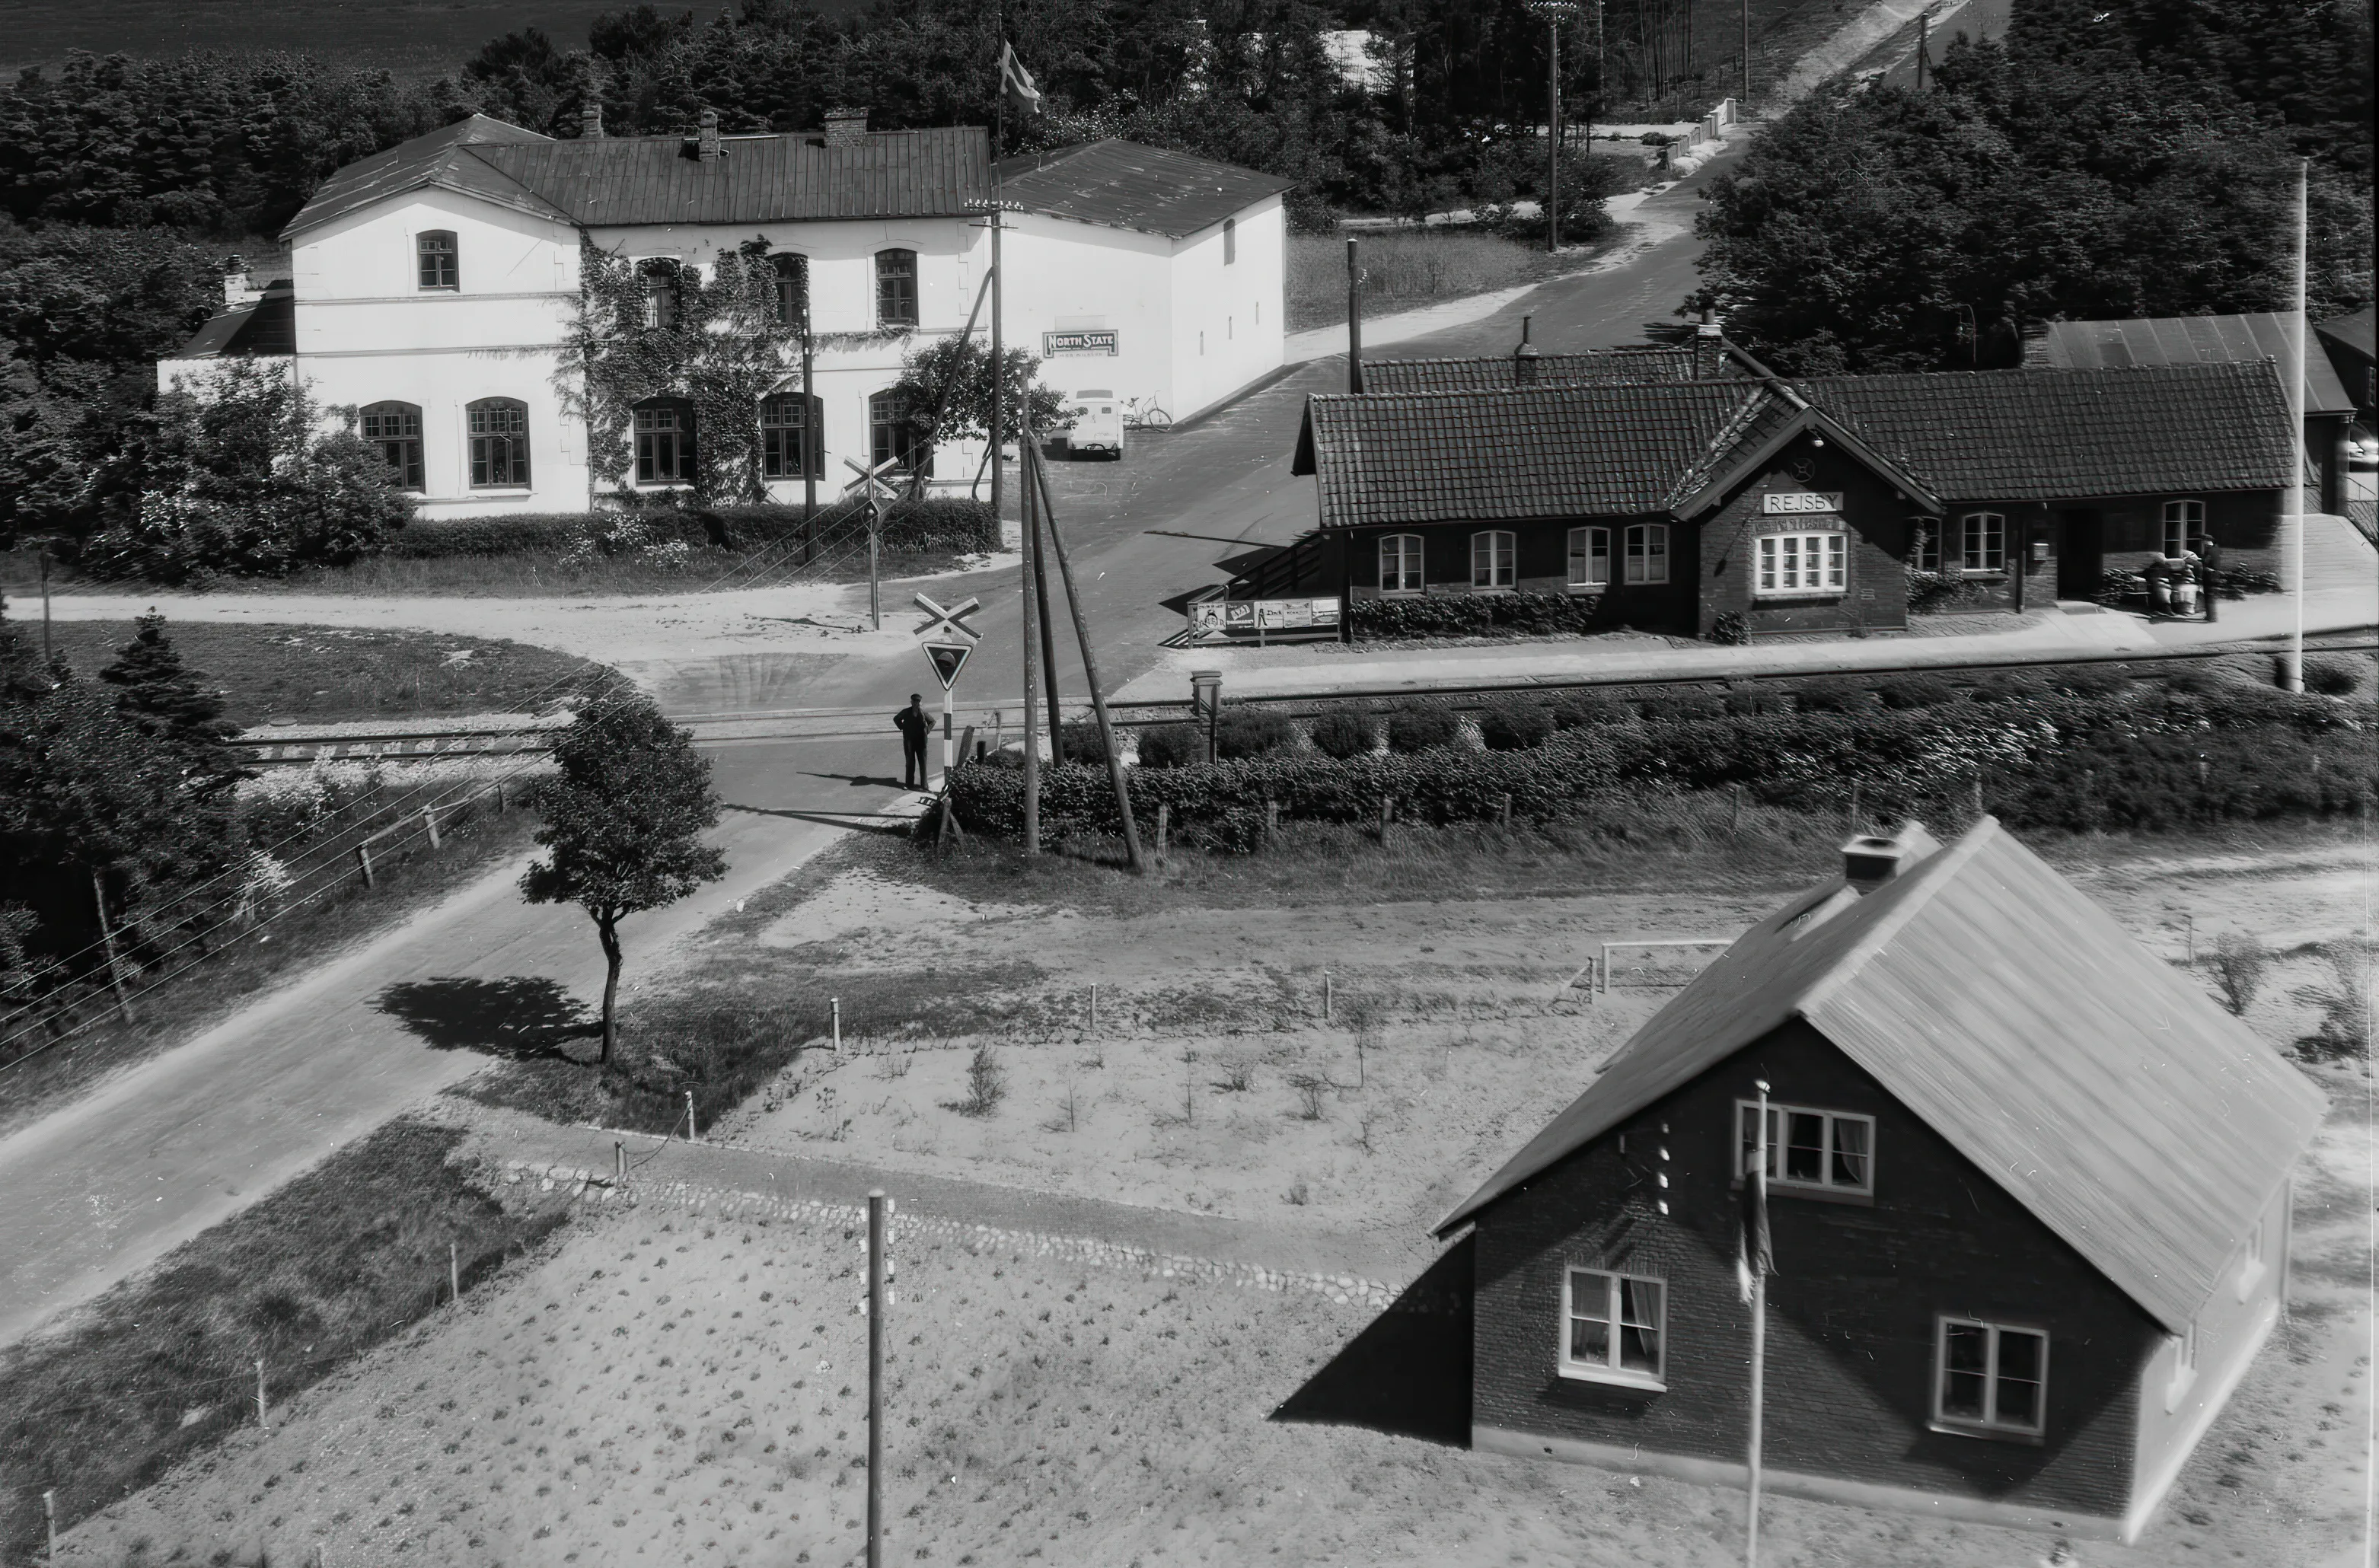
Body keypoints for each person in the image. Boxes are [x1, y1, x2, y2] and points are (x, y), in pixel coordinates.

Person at [894, 694, 933, 789]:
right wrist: (903, 727)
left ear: (920, 703)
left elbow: (932, 721)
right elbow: (896, 718)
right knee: (910, 762)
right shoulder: (906, 712)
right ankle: (909, 784)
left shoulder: (923, 713)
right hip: (910, 741)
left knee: (923, 762)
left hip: (921, 742)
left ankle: (924, 785)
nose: (916, 704)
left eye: (918, 702)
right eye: (914, 702)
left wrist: (927, 731)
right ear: (911, 702)